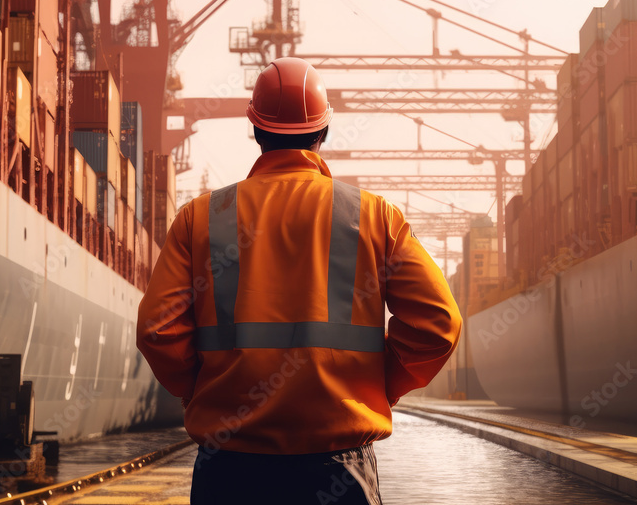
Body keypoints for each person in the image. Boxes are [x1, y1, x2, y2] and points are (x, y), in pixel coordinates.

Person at [137, 57, 462, 505]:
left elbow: (157, 330)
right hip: (339, 469)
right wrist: (377, 387)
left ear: (255, 129)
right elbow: (439, 324)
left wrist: (203, 390)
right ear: (323, 131)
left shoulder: (202, 219)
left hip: (230, 464)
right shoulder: (373, 217)